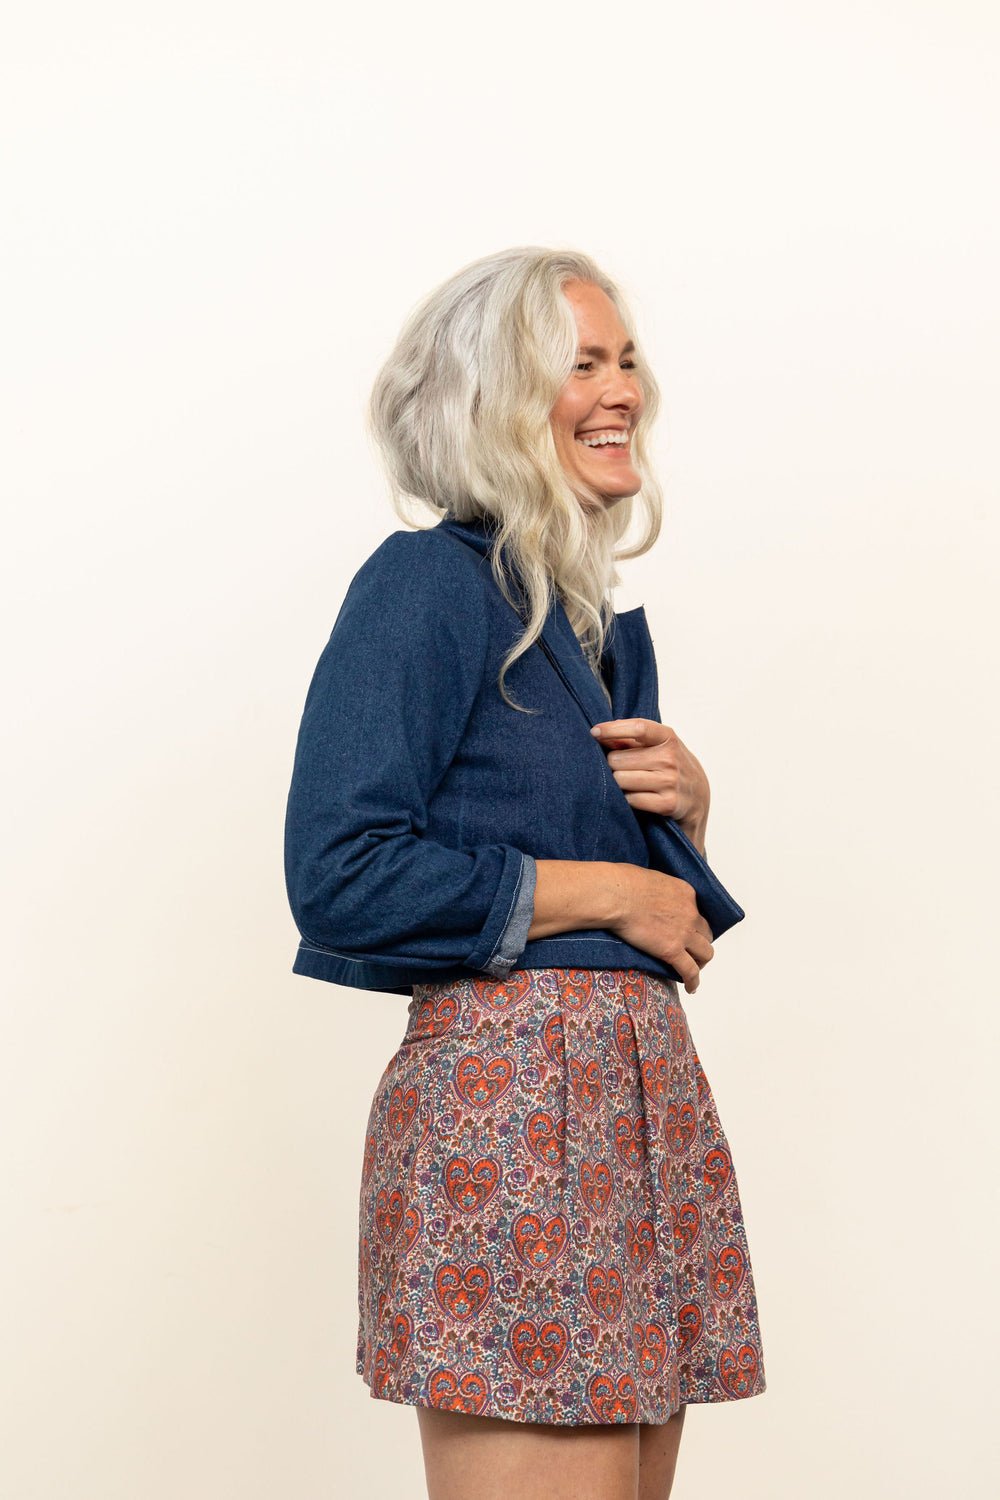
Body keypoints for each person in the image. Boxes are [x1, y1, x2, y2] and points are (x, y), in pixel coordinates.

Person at [283, 247, 766, 1500]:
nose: (622, 392)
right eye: (580, 364)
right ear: (491, 398)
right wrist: (608, 887)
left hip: (630, 1103)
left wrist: (683, 821)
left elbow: (652, 925)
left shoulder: (571, 623)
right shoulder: (427, 585)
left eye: (625, 361)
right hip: (514, 1114)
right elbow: (340, 870)